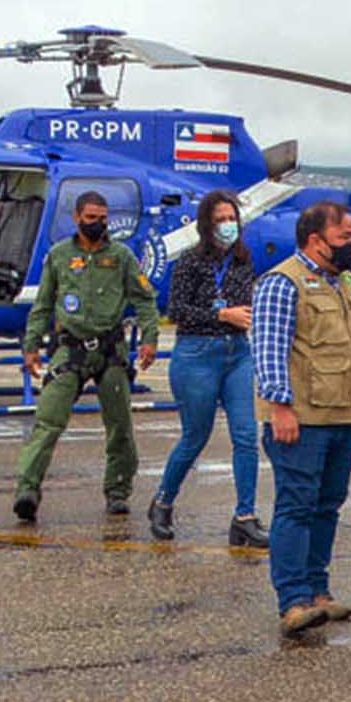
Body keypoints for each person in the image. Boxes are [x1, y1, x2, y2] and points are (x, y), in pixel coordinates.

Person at [253, 200, 351, 636]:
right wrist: (280, 406)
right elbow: (269, 349)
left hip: (341, 411)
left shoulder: (344, 282)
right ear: (315, 240)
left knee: (328, 504)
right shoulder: (282, 283)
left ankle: (318, 589)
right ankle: (293, 601)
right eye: (344, 237)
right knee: (296, 504)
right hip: (302, 416)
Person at [12, 190, 160, 522]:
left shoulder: (121, 257)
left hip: (110, 350)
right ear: (77, 218)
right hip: (71, 348)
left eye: (103, 218)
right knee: (48, 421)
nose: (98, 224)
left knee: (120, 426)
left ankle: (118, 491)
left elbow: (145, 299)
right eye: (91, 218)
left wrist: (150, 338)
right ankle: (27, 489)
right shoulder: (59, 256)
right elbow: (43, 306)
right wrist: (32, 346)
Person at [149, 190, 267, 547]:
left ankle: (245, 516)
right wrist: (220, 314)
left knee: (246, 435)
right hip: (198, 352)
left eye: (232, 219)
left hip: (237, 352)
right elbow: (175, 311)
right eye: (220, 219)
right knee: (195, 437)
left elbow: (246, 302)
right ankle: (163, 500)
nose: (227, 226)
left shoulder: (245, 261)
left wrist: (245, 317)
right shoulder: (190, 262)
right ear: (206, 224)